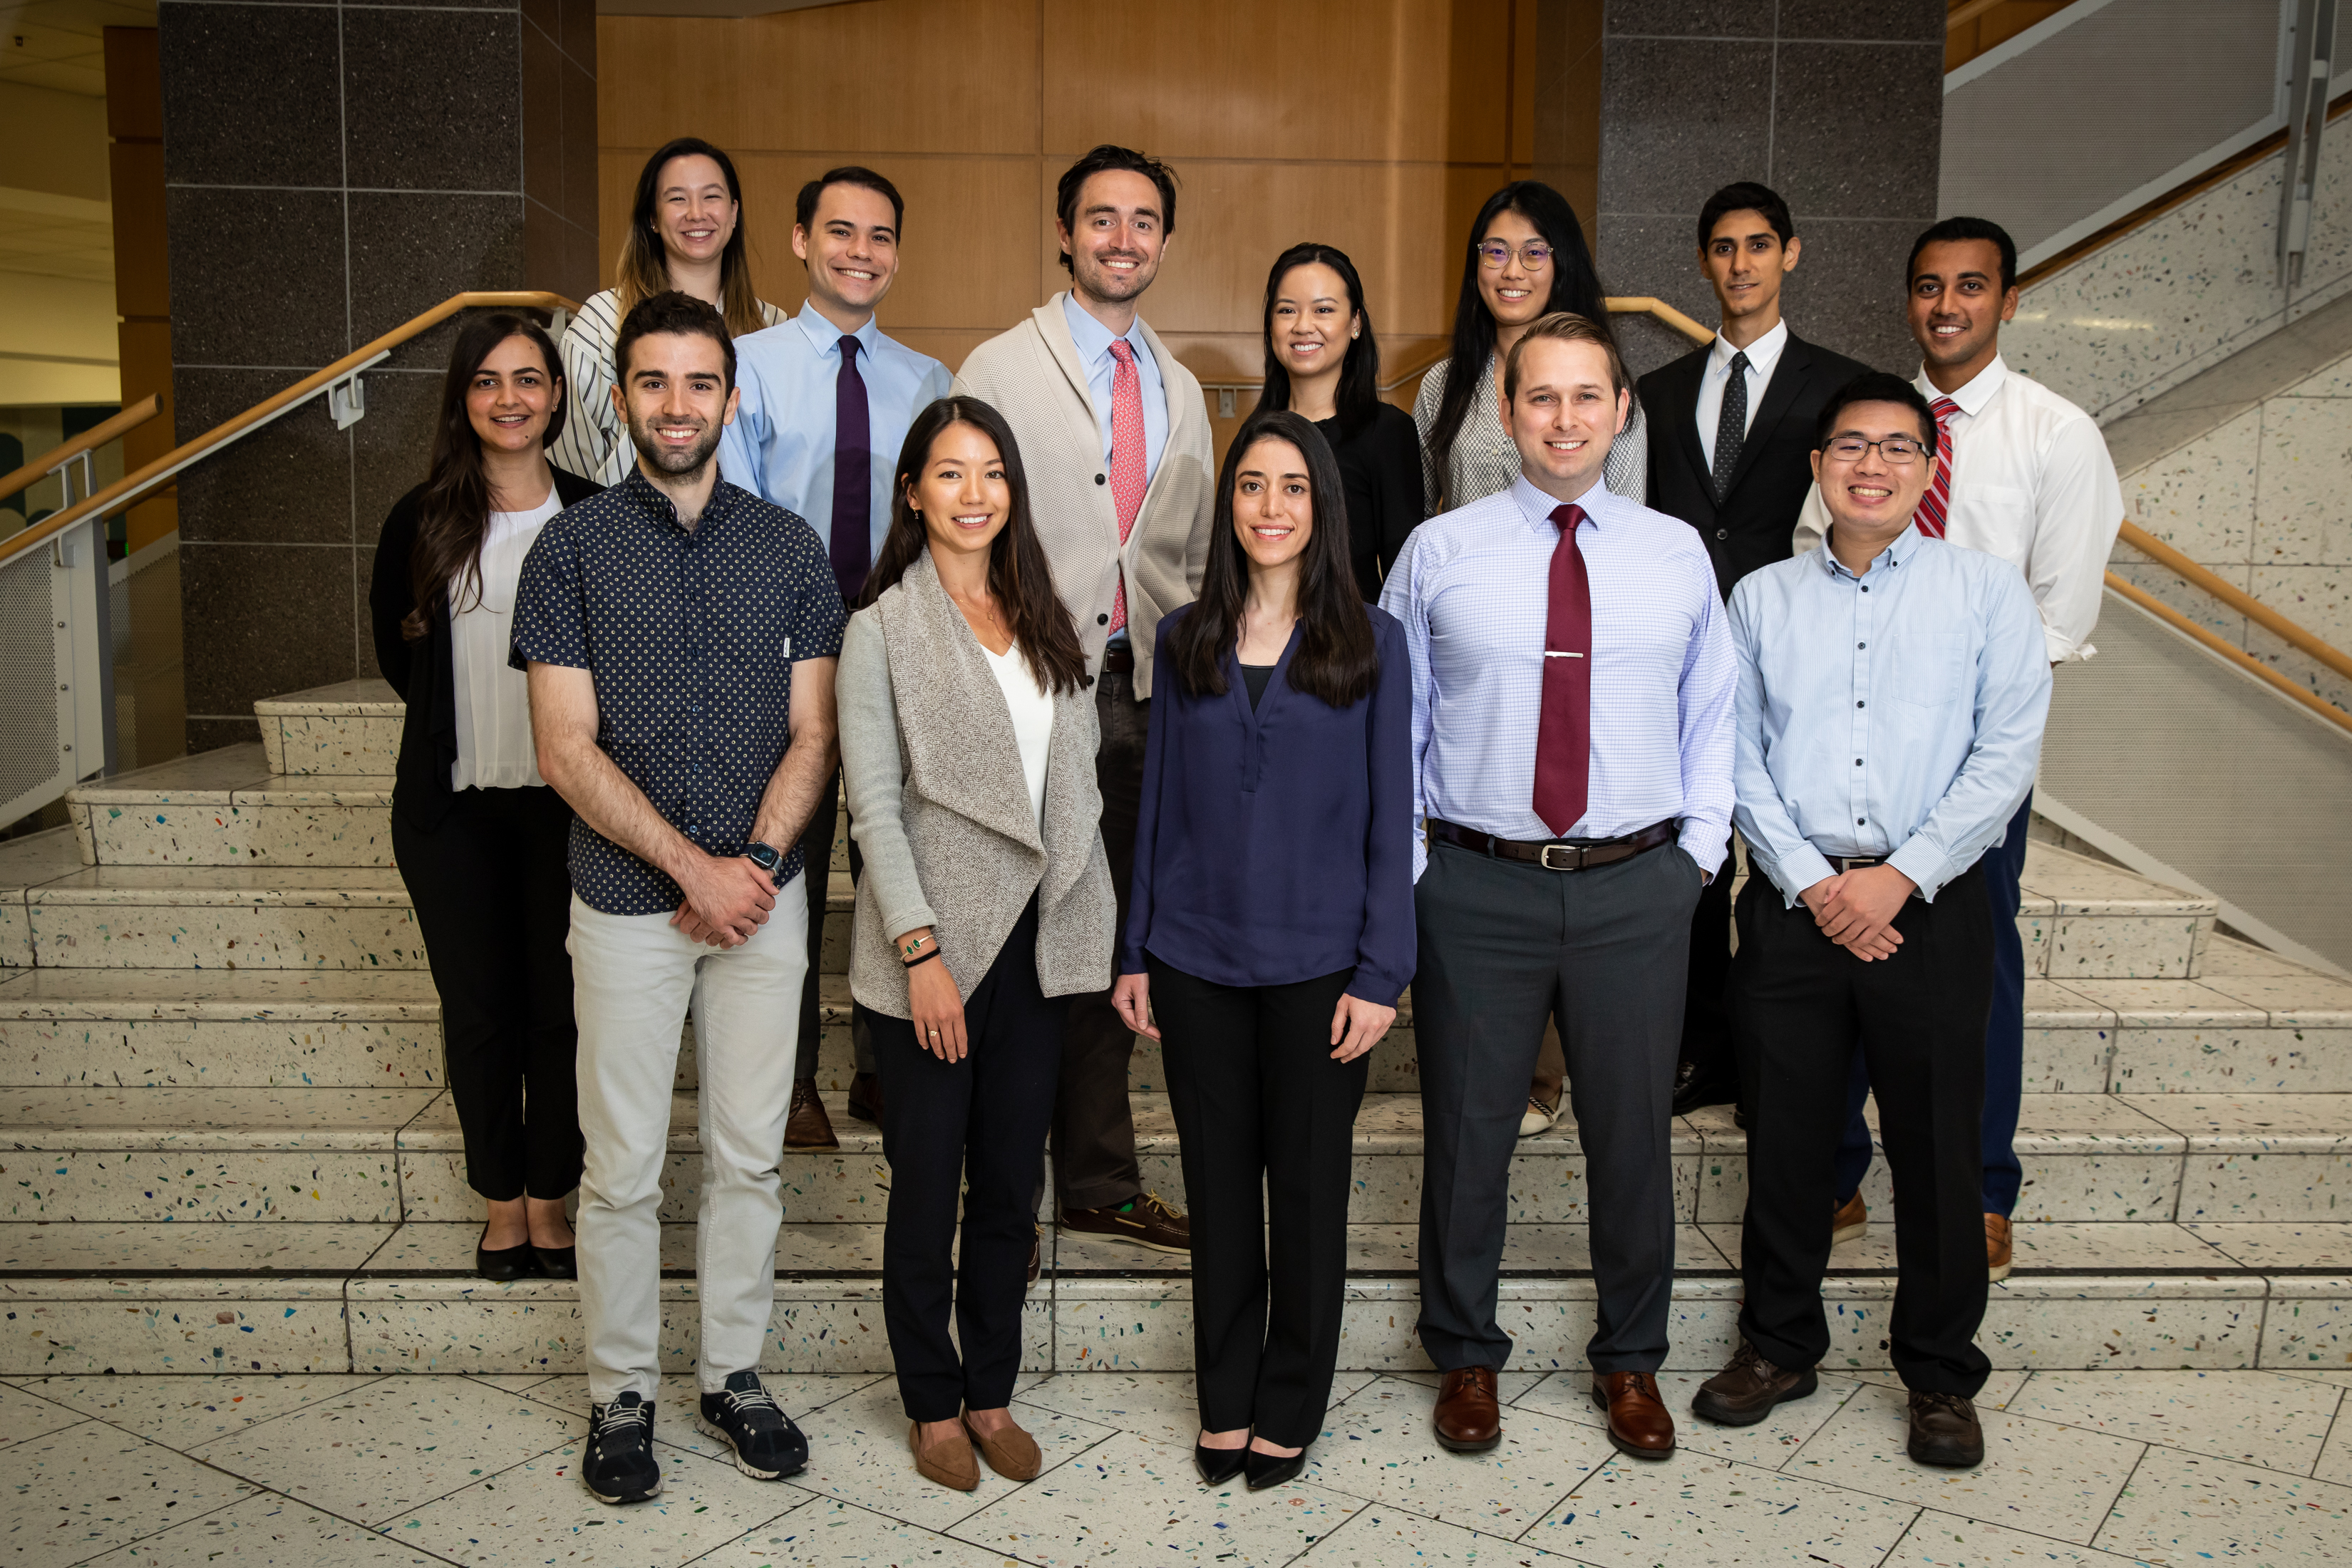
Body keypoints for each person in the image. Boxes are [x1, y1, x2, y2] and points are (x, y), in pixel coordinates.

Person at [1381, 312, 1733, 1463]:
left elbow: (1713, 712)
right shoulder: (1441, 548)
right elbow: (1397, 719)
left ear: (1621, 410)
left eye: (1589, 396)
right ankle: (1465, 1355)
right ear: (1504, 410)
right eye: (1542, 397)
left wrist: (1697, 858)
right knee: (1470, 1136)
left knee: (1630, 1140)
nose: (1566, 418)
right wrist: (1418, 869)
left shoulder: (1675, 549)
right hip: (1477, 885)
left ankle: (1630, 1363)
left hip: (1637, 886)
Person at [512, 292, 843, 1504]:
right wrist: (690, 869)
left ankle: (734, 1375)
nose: (676, 406)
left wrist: (751, 865)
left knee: (751, 1158)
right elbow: (564, 747)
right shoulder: (572, 550)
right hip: (624, 902)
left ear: (731, 398)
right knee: (623, 1168)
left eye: (699, 384)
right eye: (652, 383)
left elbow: (815, 731)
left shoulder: (790, 549)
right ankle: (621, 1395)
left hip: (764, 902)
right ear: (620, 399)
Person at [1702, 371, 2051, 1470]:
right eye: (1850, 445)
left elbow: (2007, 756)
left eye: (1899, 447)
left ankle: (1941, 1375)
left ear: (1928, 467)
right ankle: (1779, 1344)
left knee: (1940, 1151)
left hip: (1932, 911)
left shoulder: (1987, 592)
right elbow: (1733, 753)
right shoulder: (1762, 598)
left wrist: (1900, 878)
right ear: (1817, 467)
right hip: (1799, 910)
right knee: (1791, 1146)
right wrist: (1813, 882)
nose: (1873, 465)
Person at [1795, 218, 2123, 1279]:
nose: (1948, 305)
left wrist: (1957, 724)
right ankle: (1838, 1175)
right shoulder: (1873, 428)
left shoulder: (2054, 435)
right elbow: (1817, 551)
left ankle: (1980, 1188)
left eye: (1972, 286)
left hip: (1973, 757)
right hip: (1849, 746)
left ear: (2009, 302)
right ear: (1909, 301)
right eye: (1930, 286)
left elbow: (2059, 617)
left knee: (1975, 971)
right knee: (1841, 947)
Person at [1112, 408, 1414, 1492]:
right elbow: (1156, 814)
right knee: (1220, 1193)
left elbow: (1394, 817)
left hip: (1323, 971)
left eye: (1293, 487)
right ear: (1227, 503)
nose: (1270, 507)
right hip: (1195, 963)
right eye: (1251, 486)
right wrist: (1135, 948)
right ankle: (1227, 1395)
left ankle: (1291, 1401)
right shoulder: (1182, 635)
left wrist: (1384, 971)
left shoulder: (1375, 640)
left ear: (1322, 505)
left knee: (1309, 1195)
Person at [838, 397, 1113, 1492]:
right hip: (937, 953)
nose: (973, 494)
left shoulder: (1042, 614)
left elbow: (1075, 783)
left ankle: (989, 1389)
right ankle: (930, 1401)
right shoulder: (882, 629)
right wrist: (920, 956)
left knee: (1010, 1184)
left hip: (1037, 949)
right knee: (924, 1185)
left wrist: (1097, 923)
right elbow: (873, 809)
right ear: (913, 492)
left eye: (991, 473)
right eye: (949, 474)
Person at [953, 144, 1214, 1257]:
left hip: (1150, 696)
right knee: (1012, 934)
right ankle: (996, 1173)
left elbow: (1194, 554)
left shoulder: (1185, 387)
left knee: (1111, 935)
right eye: (1101, 219)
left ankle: (1100, 1180)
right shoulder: (1000, 365)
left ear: (1163, 239)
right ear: (1065, 235)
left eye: (1143, 221)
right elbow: (959, 525)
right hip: (1032, 687)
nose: (1122, 238)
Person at [717, 165, 952, 1150]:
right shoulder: (747, 362)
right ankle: (794, 1082)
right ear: (804, 241)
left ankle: (879, 1071)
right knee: (792, 871)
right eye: (842, 232)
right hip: (791, 653)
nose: (863, 251)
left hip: (898, 649)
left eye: (881, 236)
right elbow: (732, 519)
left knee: (898, 859)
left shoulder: (928, 381)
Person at [368, 311, 597, 1281]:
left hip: (568, 808)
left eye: (530, 380)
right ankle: (502, 1202)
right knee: (480, 1011)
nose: (511, 399)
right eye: (489, 382)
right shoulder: (419, 519)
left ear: (557, 397)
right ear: (464, 401)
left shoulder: (595, 514)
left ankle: (554, 1198)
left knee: (561, 1010)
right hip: (452, 812)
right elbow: (396, 656)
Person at [1636, 182, 1872, 1118]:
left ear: (1791, 254)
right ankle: (1702, 1046)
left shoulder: (1839, 388)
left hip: (1795, 658)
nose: (1740, 264)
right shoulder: (1654, 393)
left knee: (1780, 867)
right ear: (1704, 262)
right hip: (1682, 660)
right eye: (1724, 248)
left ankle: (1771, 1051)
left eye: (1758, 246)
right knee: (1691, 860)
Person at [1415, 180, 1644, 1136]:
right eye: (1494, 252)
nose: (1511, 270)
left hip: (1584, 642)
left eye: (1533, 252)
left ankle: (1549, 1067)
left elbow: (1632, 523)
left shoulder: (1605, 381)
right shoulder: (1443, 384)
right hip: (1478, 651)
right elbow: (1429, 518)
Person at [550, 137, 787, 488]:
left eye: (711, 196)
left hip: (746, 539)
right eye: (677, 198)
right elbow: (572, 465)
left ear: (734, 213)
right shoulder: (599, 323)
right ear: (653, 218)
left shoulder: (773, 327)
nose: (696, 213)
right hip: (624, 535)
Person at [1252, 244, 1421, 600]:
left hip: (1354, 644)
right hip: (1261, 642)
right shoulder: (1256, 432)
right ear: (1271, 326)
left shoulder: (1388, 432)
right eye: (1287, 310)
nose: (1303, 326)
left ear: (1356, 323)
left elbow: (1403, 578)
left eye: (1323, 310)